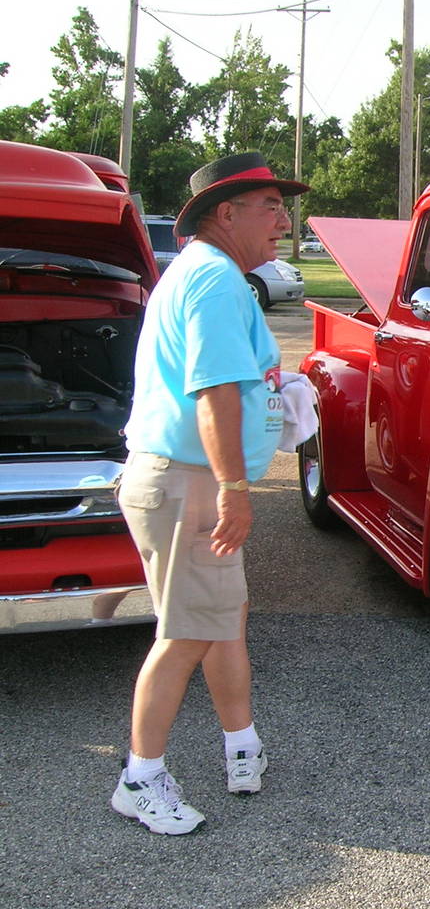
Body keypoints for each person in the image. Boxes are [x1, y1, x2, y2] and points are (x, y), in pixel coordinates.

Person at [110, 152, 308, 835]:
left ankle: (241, 744)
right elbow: (214, 390)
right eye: (270, 206)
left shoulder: (205, 272)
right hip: (188, 481)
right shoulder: (217, 281)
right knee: (189, 631)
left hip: (178, 478)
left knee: (223, 617)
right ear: (227, 215)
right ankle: (140, 778)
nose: (284, 219)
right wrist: (233, 487)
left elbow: (235, 381)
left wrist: (275, 395)